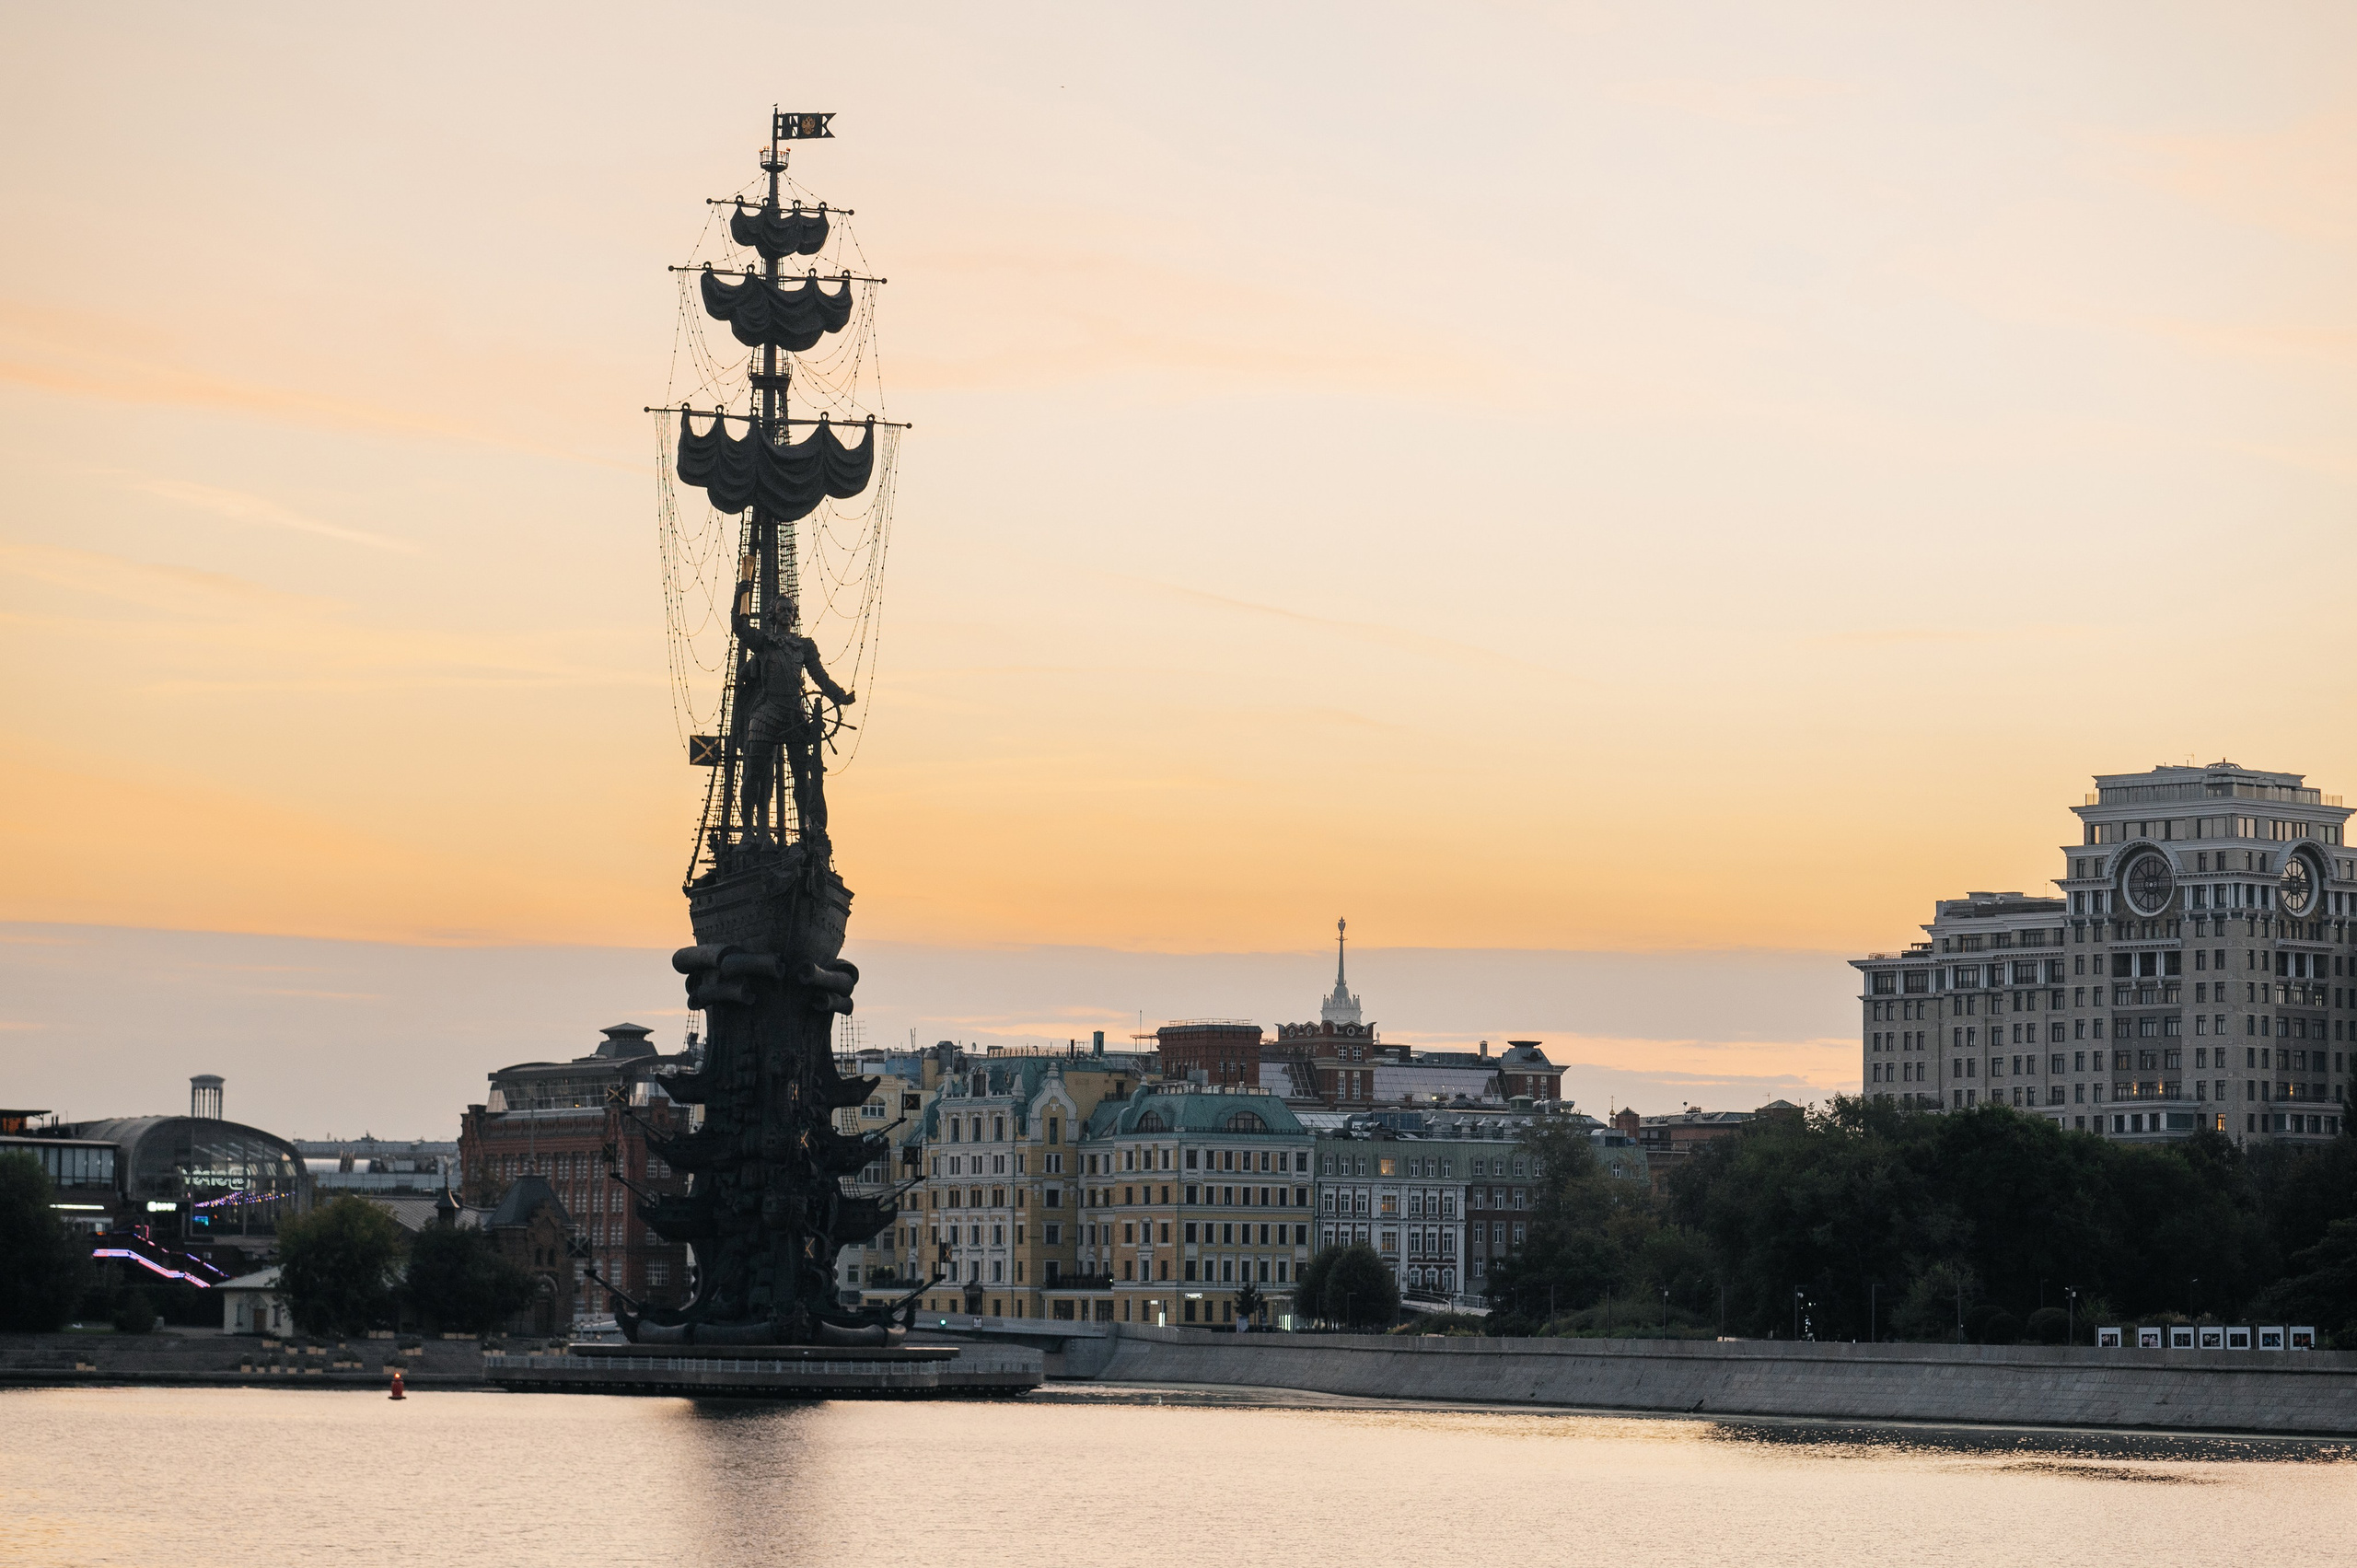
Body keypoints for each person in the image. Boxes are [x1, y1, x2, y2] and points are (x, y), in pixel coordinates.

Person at [730, 555, 854, 845]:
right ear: (773, 616)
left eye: (790, 610)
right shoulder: (765, 642)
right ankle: (748, 831)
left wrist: (839, 695)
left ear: (794, 615)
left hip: (794, 713)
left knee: (803, 775)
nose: (786, 613)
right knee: (754, 773)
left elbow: (819, 677)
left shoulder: (804, 646)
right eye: (781, 610)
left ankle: (805, 829)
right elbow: (740, 627)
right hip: (767, 711)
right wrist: (742, 591)